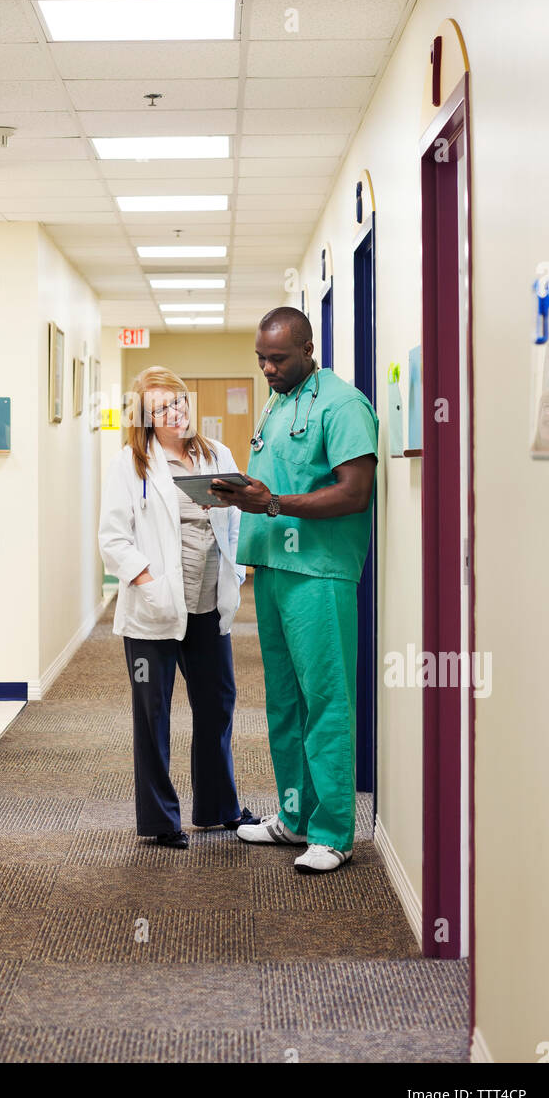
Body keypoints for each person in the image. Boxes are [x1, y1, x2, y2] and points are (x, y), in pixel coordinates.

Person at [209, 307, 379, 874]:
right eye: (261, 358)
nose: (267, 368)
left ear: (309, 348)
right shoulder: (279, 404)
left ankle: (333, 832)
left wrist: (273, 503)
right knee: (284, 703)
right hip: (275, 568)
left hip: (320, 573)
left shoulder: (344, 404)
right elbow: (275, 483)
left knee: (326, 702)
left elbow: (355, 493)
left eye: (278, 358)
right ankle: (293, 817)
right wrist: (242, 497)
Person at [98, 366, 260, 848]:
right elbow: (113, 539)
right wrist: (151, 585)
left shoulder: (217, 455)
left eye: (180, 402)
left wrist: (234, 573)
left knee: (217, 707)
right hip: (154, 615)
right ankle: (160, 820)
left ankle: (217, 808)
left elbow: (232, 525)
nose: (176, 412)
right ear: (144, 418)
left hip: (209, 606)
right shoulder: (131, 464)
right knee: (153, 716)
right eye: (162, 407)